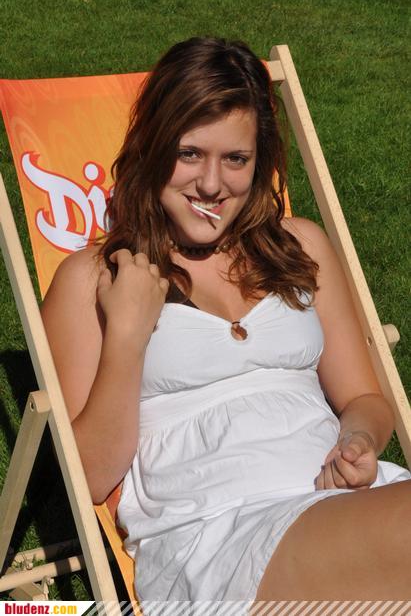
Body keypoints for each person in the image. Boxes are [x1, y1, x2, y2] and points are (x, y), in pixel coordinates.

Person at [41, 37, 411, 608]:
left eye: (235, 159)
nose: (212, 184)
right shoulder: (93, 279)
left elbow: (365, 397)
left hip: (342, 506)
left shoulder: (301, 245)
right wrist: (128, 335)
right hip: (221, 537)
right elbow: (86, 476)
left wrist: (357, 439)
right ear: (152, 146)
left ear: (259, 161)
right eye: (190, 153)